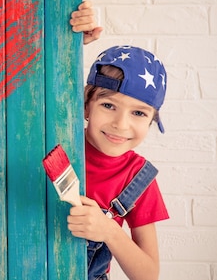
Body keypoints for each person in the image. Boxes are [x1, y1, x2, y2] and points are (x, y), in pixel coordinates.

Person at [67, 44, 169, 280]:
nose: (121, 124)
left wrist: (110, 231)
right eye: (108, 105)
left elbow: (148, 274)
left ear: (151, 121)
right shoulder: (55, 145)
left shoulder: (138, 179)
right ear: (85, 106)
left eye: (139, 113)